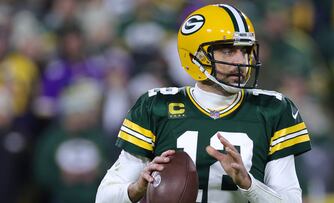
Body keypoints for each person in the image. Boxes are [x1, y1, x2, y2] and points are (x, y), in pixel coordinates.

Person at [96, 4, 311, 203]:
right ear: (196, 56)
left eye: (245, 50)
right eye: (228, 50)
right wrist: (137, 188)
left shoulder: (273, 109)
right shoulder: (155, 106)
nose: (241, 61)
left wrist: (248, 184)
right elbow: (105, 197)